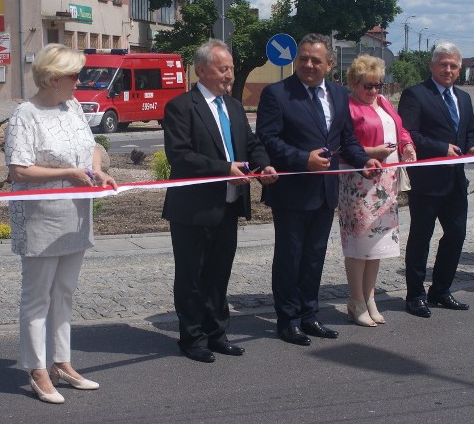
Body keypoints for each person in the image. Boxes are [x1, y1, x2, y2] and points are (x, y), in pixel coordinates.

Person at [5, 44, 117, 402]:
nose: (79, 80)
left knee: (64, 291)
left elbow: (91, 147)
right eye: (74, 75)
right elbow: (18, 169)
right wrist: (69, 171)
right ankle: (37, 369)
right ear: (53, 78)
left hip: (75, 214)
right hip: (40, 215)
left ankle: (61, 361)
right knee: (37, 296)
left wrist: (97, 169)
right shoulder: (26, 114)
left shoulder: (71, 108)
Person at [256, 33, 381, 346]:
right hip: (292, 191)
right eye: (304, 58)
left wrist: (364, 161)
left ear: (329, 64)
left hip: (326, 190)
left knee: (315, 256)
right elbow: (267, 139)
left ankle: (309, 315)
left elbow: (347, 139)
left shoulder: (339, 95)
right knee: (290, 257)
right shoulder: (277, 93)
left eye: (316, 60)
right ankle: (288, 320)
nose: (308, 64)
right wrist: (302, 159)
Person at [162, 39, 277, 363]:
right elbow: (180, 156)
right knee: (192, 277)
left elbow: (252, 144)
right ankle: (192, 338)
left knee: (219, 274)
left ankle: (217, 333)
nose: (229, 74)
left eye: (231, 68)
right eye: (223, 68)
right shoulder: (181, 107)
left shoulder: (234, 106)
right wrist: (225, 168)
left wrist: (263, 163)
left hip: (228, 205)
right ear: (202, 70)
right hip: (193, 209)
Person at [397, 42, 474, 318]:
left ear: (459, 70)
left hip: (456, 181)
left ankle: (441, 290)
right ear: (432, 66)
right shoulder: (416, 95)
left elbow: (470, 132)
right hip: (427, 181)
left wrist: (473, 146)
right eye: (443, 64)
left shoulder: (464, 98)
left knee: (456, 235)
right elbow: (408, 135)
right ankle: (415, 295)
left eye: (453, 65)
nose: (448, 69)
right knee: (421, 237)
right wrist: (440, 148)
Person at [339, 55, 416, 326]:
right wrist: (374, 152)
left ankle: (370, 297)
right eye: (367, 86)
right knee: (359, 245)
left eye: (377, 85)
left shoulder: (382, 102)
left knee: (378, 245)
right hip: (360, 183)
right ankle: (356, 299)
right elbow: (343, 146)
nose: (373, 91)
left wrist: (406, 145)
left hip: (386, 182)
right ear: (354, 83)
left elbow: (399, 128)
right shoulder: (348, 108)